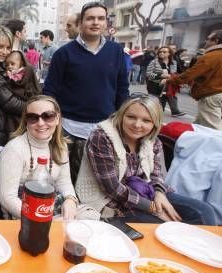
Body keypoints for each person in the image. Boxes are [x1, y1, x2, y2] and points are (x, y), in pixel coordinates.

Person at [75, 93, 216, 224]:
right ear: (122, 115)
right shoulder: (102, 136)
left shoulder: (153, 140)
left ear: (155, 123)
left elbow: (156, 175)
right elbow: (112, 188)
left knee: (204, 212)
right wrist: (153, 208)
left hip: (145, 192)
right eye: (131, 117)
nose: (137, 125)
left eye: (146, 120)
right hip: (109, 202)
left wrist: (160, 194)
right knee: (161, 226)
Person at [43, 1, 129, 185]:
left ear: (106, 23)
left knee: (99, 183)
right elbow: (50, 91)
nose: (95, 22)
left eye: (101, 18)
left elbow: (122, 88)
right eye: (90, 18)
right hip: (68, 130)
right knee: (64, 182)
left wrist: (121, 120)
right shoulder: (63, 54)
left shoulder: (116, 52)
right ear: (81, 22)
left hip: (105, 128)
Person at [0, 95, 79, 220]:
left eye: (48, 116)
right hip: (23, 215)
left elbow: (64, 182)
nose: (41, 123)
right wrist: (40, 219)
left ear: (57, 118)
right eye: (33, 118)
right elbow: (7, 198)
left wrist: (70, 199)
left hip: (52, 207)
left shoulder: (60, 145)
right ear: (26, 121)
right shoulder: (14, 149)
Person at [165, 31, 222, 130]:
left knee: (213, 129)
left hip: (212, 94)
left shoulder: (211, 56)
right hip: (217, 94)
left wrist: (171, 80)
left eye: (208, 39)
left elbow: (191, 74)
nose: (206, 41)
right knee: (199, 125)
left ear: (216, 40)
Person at [146, 46, 186, 117]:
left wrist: (173, 79)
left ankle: (174, 111)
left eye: (164, 52)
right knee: (156, 105)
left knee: (168, 100)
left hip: (168, 85)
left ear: (169, 53)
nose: (161, 53)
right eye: (160, 52)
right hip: (155, 86)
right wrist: (161, 76)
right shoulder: (154, 62)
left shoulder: (173, 62)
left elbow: (173, 74)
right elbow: (148, 74)